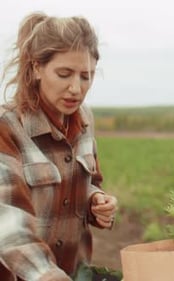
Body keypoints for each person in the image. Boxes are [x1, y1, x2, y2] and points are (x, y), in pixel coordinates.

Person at [0, 12, 118, 281]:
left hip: (75, 272)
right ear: (36, 68)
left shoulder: (85, 120)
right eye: (64, 74)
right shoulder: (6, 129)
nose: (76, 88)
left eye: (85, 76)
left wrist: (95, 201)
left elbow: (87, 182)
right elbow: (7, 227)